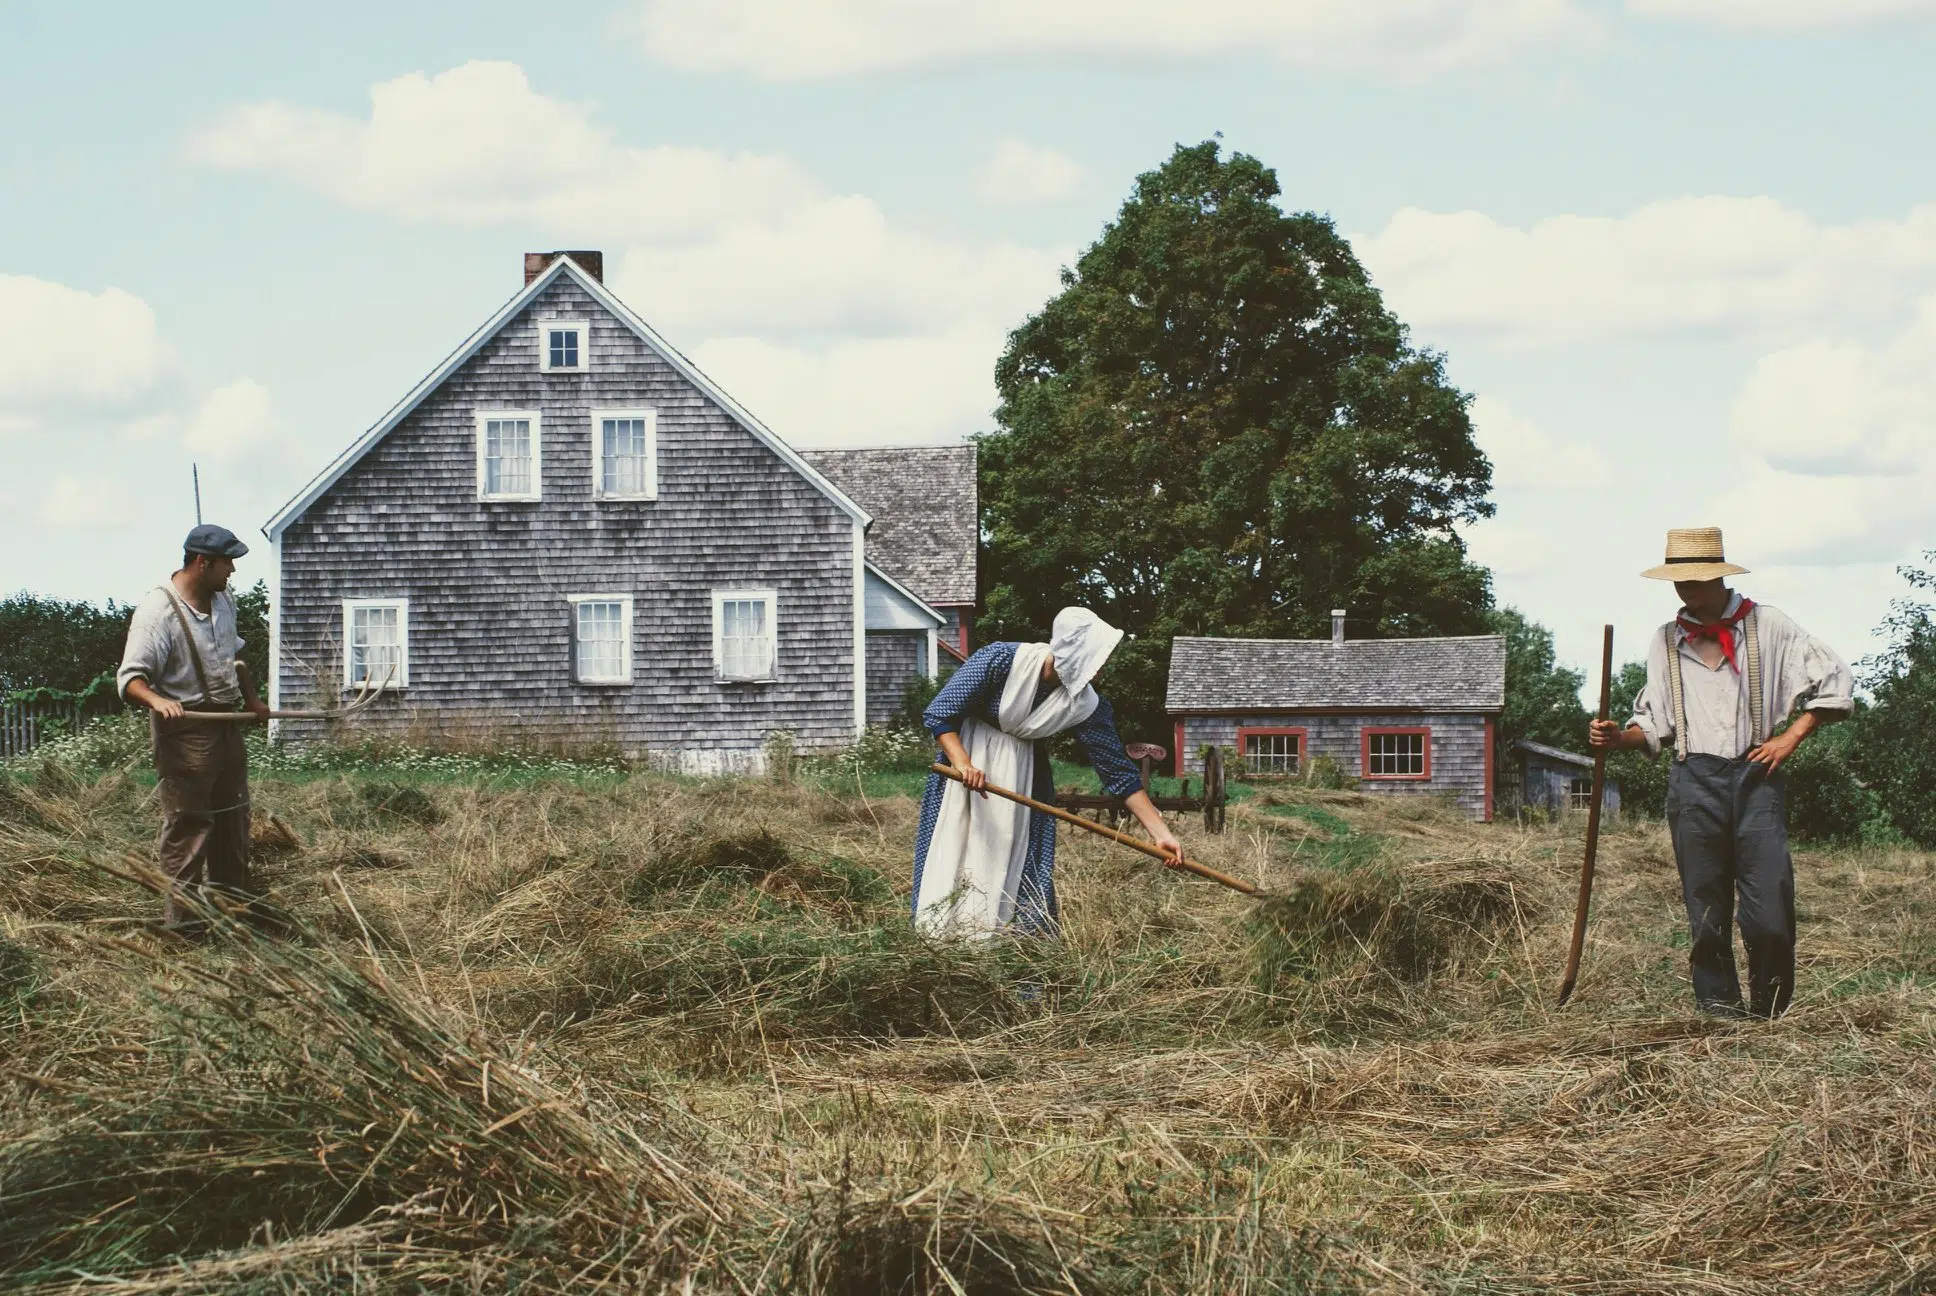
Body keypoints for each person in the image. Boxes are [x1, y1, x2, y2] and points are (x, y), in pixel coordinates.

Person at [1589, 527, 1852, 1019]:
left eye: (1695, 578)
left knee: (1770, 908)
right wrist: (1615, 738)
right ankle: (1720, 1014)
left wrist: (1789, 738)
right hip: (1693, 781)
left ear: (1719, 575)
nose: (1685, 588)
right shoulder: (1666, 640)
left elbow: (1833, 681)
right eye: (1677, 579)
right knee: (1705, 911)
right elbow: (1655, 724)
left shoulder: (1769, 626)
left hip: (1757, 778)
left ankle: (1769, 1014)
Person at [912, 606, 1183, 938]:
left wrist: (1160, 833)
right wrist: (963, 763)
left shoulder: (1085, 705)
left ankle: (1010, 946)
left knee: (1016, 856)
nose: (1102, 669)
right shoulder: (1000, 659)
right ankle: (946, 939)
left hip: (1025, 776)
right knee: (960, 843)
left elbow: (1119, 774)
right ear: (1073, 654)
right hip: (968, 761)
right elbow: (941, 713)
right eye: (1098, 659)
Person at [117, 524, 271, 933]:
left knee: (232, 822)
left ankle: (231, 915)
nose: (233, 571)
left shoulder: (224, 600)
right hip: (185, 731)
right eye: (228, 563)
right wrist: (157, 700)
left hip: (226, 725)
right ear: (203, 563)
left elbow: (235, 656)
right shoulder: (159, 611)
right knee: (189, 828)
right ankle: (183, 927)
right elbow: (130, 679)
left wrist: (252, 699)